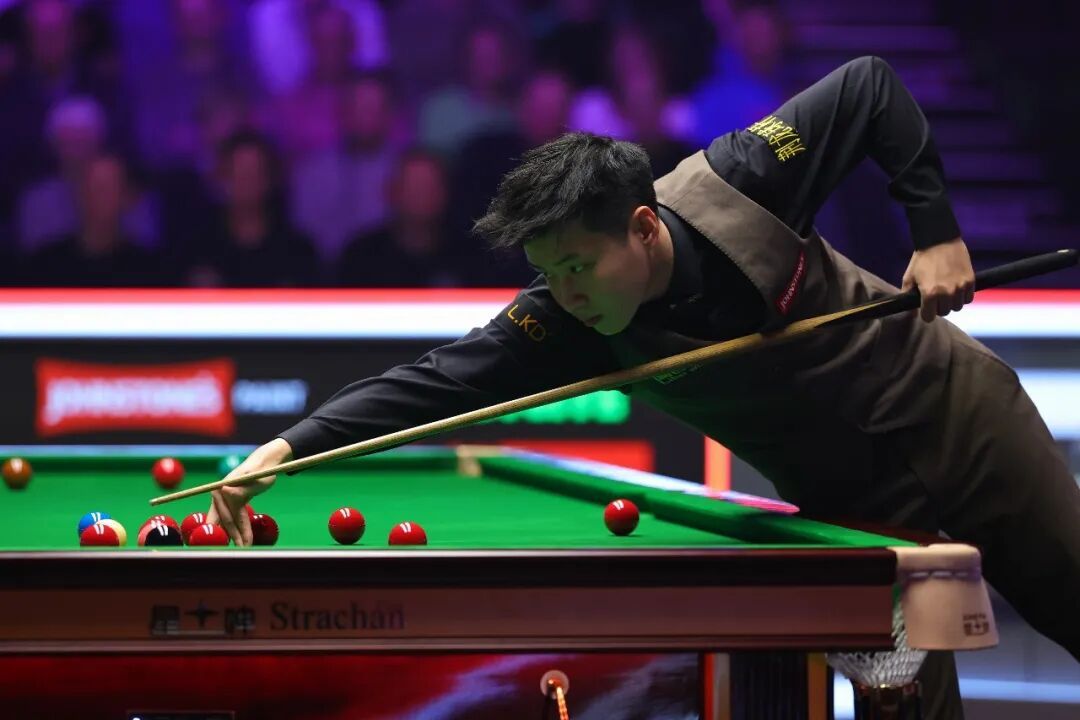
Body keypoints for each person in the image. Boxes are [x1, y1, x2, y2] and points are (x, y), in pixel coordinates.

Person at [206, 58, 1080, 719]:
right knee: (904, 703)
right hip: (853, 500)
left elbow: (870, 87)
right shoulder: (566, 320)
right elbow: (433, 383)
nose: (567, 293)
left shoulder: (743, 175)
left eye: (578, 266)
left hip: (956, 415)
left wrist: (936, 233)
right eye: (549, 272)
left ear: (644, 226)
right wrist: (283, 450)